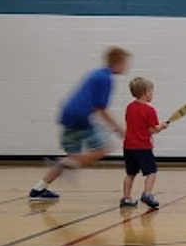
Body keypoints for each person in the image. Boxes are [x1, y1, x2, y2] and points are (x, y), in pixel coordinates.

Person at [29, 47, 130, 202]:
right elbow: (100, 108)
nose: (126, 67)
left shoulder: (96, 74)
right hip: (79, 116)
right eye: (125, 63)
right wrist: (117, 128)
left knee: (72, 159)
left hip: (68, 114)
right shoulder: (106, 78)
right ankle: (64, 163)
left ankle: (38, 189)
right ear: (117, 63)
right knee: (104, 149)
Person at [120, 76, 167, 209]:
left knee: (130, 173)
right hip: (143, 147)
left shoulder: (129, 107)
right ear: (146, 92)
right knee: (151, 172)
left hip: (128, 146)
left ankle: (126, 198)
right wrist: (161, 127)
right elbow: (152, 129)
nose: (152, 94)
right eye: (152, 91)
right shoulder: (149, 110)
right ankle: (147, 193)